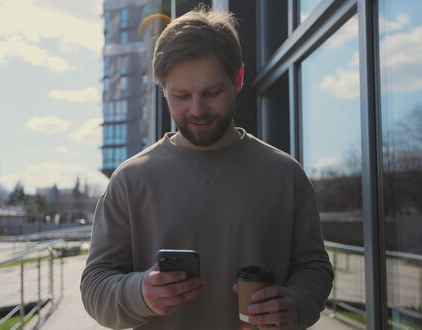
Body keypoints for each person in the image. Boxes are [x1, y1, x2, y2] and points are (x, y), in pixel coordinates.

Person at [81, 7, 333, 330]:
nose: (197, 109)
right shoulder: (130, 181)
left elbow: (315, 269)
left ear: (238, 79)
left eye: (212, 92)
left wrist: (295, 304)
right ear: (162, 90)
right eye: (181, 95)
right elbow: (94, 285)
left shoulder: (287, 175)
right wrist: (140, 293)